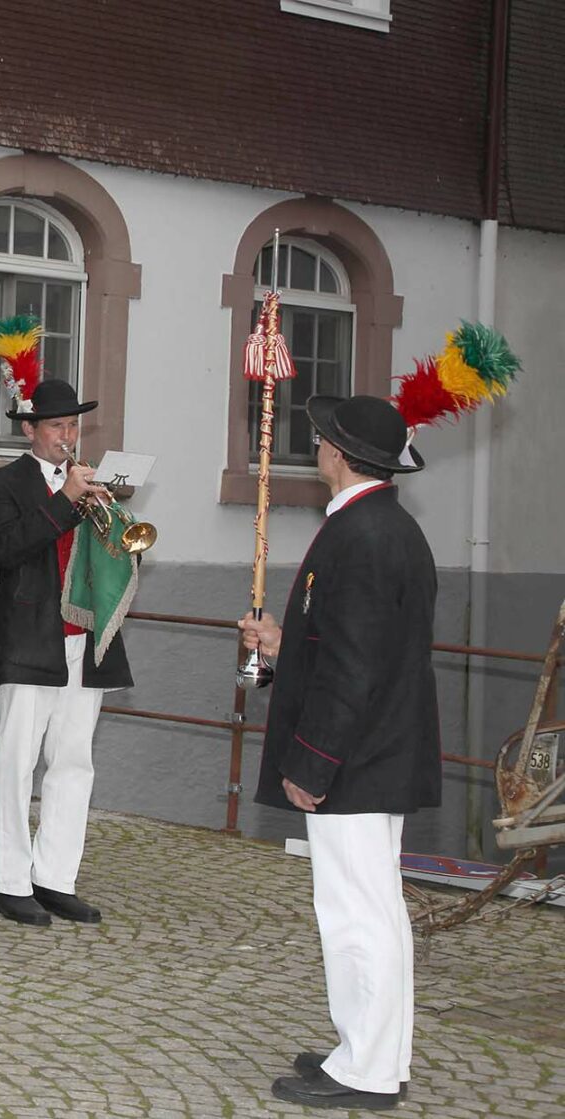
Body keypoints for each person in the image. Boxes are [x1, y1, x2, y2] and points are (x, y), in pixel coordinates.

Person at [239, 394, 439, 1112]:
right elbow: (348, 644)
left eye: (324, 438)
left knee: (357, 913)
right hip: (374, 746)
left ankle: (366, 1070)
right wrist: (284, 644)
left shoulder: (364, 534)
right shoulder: (381, 524)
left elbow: (355, 666)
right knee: (373, 906)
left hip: (356, 754)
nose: (317, 445)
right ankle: (378, 1052)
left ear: (340, 454)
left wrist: (313, 760)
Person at [0, 378, 131, 927]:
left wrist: (110, 520)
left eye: (72, 426)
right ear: (30, 430)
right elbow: (8, 548)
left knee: (73, 763)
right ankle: (10, 882)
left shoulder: (91, 484)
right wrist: (65, 500)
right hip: (29, 636)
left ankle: (55, 878)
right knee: (17, 763)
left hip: (84, 637)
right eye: (56, 426)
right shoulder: (2, 484)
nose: (67, 435)